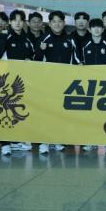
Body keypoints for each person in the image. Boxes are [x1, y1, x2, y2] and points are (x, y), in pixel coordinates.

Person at [35, 10, 79, 155]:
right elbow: (36, 61)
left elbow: (77, 59)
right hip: (47, 82)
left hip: (66, 83)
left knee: (60, 112)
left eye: (60, 21)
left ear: (64, 23)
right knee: (46, 112)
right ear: (50, 23)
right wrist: (41, 50)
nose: (57, 24)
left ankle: (56, 140)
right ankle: (43, 142)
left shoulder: (70, 39)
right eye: (54, 21)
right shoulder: (44, 38)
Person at [0, 9, 35, 156]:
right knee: (5, 111)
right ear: (10, 22)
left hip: (21, 82)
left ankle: (16, 141)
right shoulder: (4, 37)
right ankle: (5, 143)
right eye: (15, 20)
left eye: (20, 20)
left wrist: (30, 59)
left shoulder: (27, 39)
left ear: (24, 22)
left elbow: (32, 56)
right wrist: (3, 39)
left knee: (17, 111)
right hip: (5, 82)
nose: (17, 23)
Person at [81, 18, 106, 153]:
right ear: (89, 30)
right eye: (93, 27)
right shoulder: (85, 45)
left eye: (99, 27)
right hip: (89, 86)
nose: (96, 30)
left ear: (102, 29)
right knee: (90, 115)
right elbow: (80, 63)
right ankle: (90, 141)